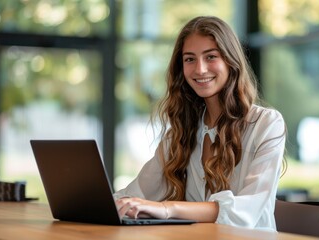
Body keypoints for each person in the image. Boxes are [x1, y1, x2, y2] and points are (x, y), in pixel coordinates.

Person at [114, 15, 286, 231]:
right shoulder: (181, 134)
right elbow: (136, 194)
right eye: (189, 59)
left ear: (230, 61)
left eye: (211, 56)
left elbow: (246, 211)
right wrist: (98, 204)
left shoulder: (266, 124)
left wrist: (168, 208)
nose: (200, 69)